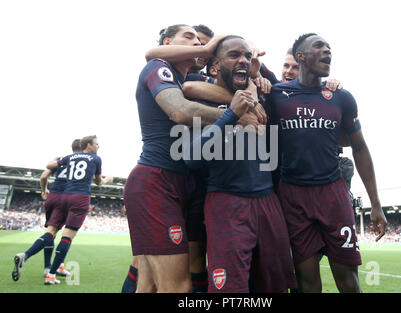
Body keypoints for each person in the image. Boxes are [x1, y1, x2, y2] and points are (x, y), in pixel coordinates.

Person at [124, 25, 253, 293]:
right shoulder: (159, 68)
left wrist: (259, 75)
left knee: (148, 284)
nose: (197, 42)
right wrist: (235, 116)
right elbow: (180, 112)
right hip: (158, 179)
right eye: (189, 36)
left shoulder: (189, 81)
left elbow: (230, 84)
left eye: (200, 39)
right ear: (169, 42)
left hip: (186, 182)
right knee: (177, 287)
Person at [267, 33, 387, 293]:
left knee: (348, 280)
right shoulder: (276, 95)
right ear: (301, 56)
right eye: (319, 46)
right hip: (292, 196)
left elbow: (360, 147)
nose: (327, 51)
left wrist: (376, 204)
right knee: (306, 282)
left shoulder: (341, 97)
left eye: (329, 47)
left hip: (332, 194)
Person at [184, 36, 296, 293]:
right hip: (226, 202)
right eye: (234, 55)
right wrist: (230, 116)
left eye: (247, 55)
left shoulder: (262, 96)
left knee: (274, 287)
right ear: (214, 67)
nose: (243, 60)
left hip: (269, 202)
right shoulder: (201, 101)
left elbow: (294, 94)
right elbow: (190, 157)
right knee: (230, 291)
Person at [44, 135, 112, 285]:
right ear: (88, 145)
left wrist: (55, 160)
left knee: (53, 230)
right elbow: (98, 181)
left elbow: (49, 166)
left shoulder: (70, 157)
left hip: (64, 196)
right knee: (68, 236)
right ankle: (51, 274)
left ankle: (55, 267)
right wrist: (108, 179)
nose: (98, 146)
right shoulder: (96, 159)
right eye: (96, 144)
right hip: (80, 197)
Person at [11, 139, 82, 282]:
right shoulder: (81, 162)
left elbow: (44, 176)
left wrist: (43, 191)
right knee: (65, 233)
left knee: (51, 231)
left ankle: (48, 266)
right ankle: (31, 259)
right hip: (67, 197)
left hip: (52, 197)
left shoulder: (61, 160)